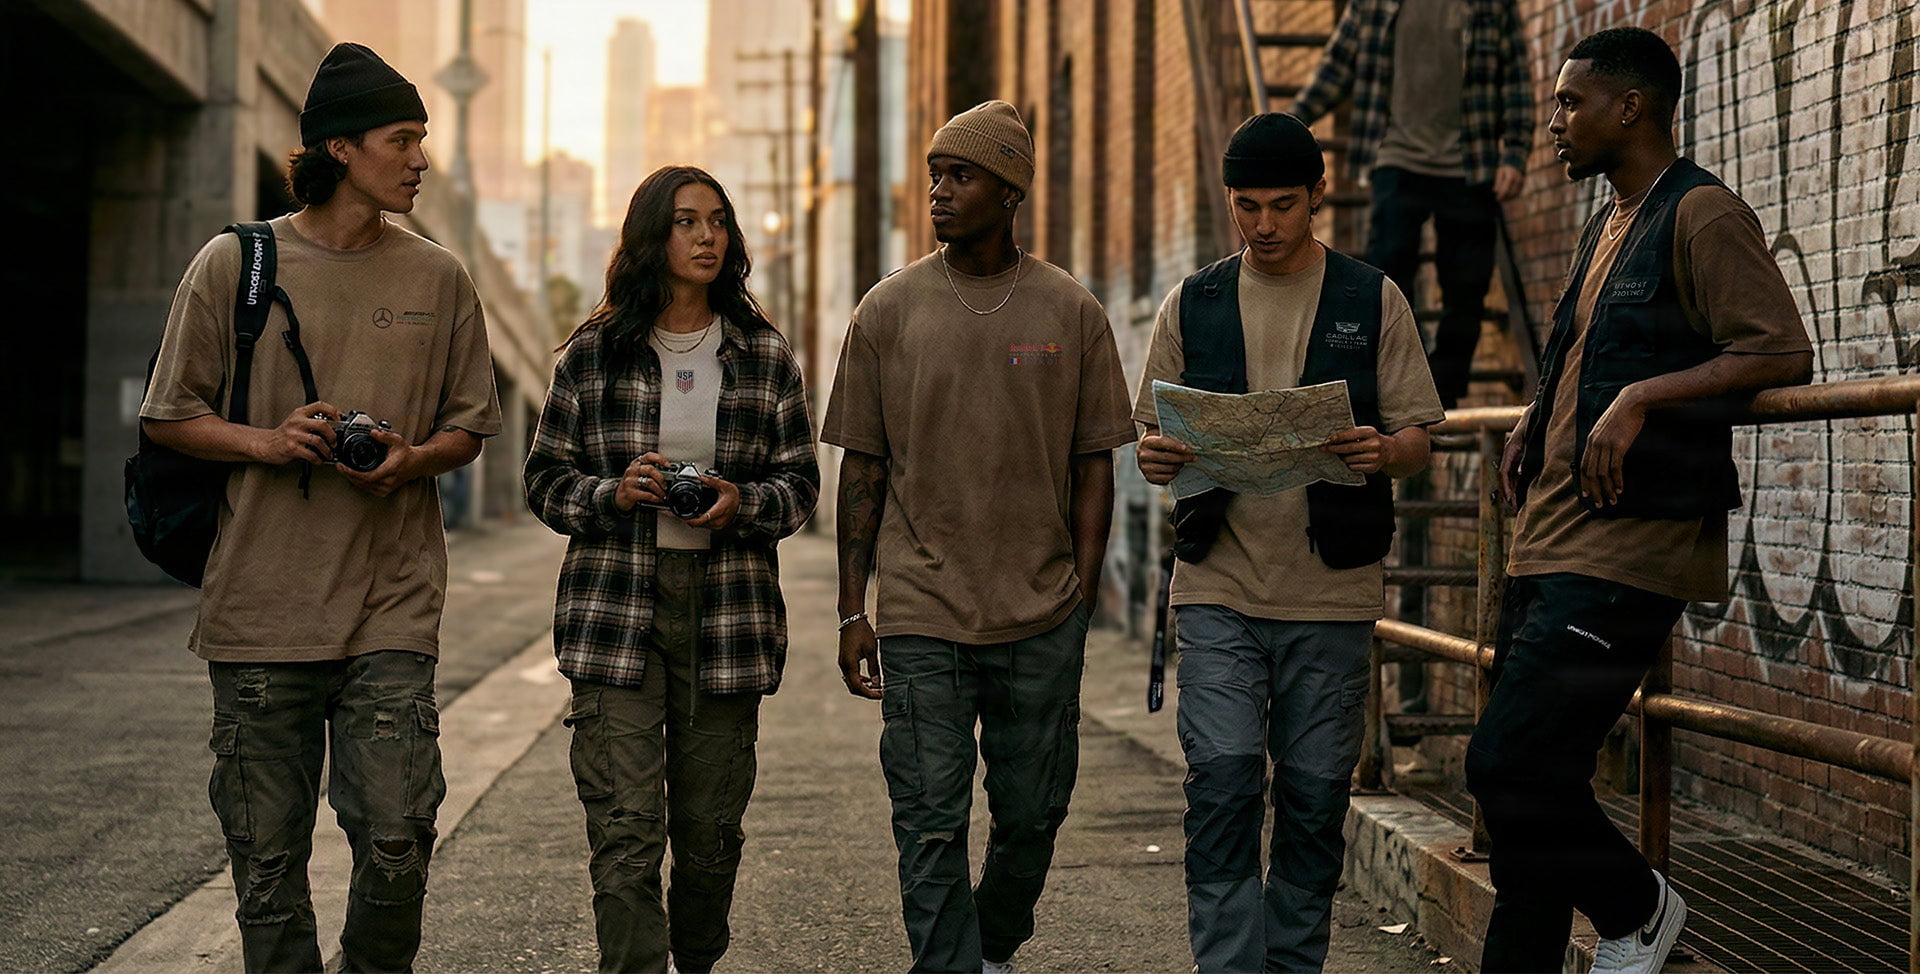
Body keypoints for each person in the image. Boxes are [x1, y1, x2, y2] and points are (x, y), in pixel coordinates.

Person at [138, 42, 501, 972]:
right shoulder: (235, 263)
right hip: (261, 611)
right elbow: (168, 415)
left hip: (391, 604)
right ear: (340, 147)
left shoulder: (440, 278)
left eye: (422, 138)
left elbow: (470, 426)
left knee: (399, 832)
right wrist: (267, 441)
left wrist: (413, 459)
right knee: (267, 868)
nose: (420, 160)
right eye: (403, 139)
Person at [1468, 27, 1813, 974]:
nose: (1553, 122)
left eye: (1569, 103)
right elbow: (1598, 349)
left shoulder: (1702, 213)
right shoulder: (1610, 218)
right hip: (1551, 539)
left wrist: (1643, 398)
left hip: (1626, 548)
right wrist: (1539, 412)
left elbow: (1781, 349)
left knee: (1506, 765)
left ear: (1631, 108)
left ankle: (1639, 908)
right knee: (1530, 801)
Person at [821, 100, 1135, 973]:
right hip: (923, 612)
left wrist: (1079, 595)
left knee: (1033, 814)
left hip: (1040, 613)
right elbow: (862, 471)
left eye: (960, 175)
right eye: (935, 174)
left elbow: (1094, 466)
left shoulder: (1071, 311)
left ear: (1009, 192)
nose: (939, 190)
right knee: (927, 819)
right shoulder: (887, 311)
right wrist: (853, 610)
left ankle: (991, 948)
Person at [1134, 112, 1444, 973]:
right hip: (1217, 588)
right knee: (1222, 788)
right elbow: (1153, 437)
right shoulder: (1192, 302)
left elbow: (1419, 438)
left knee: (1312, 804)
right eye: (1247, 206)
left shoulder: (1371, 298)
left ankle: (1293, 964)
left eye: (1282, 205)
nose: (1264, 225)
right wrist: (1156, 456)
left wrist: (1384, 451)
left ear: (1317, 198)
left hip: (1330, 594)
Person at [523, 165, 818, 974]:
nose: (706, 236)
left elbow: (800, 487)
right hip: (616, 611)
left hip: (727, 616)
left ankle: (697, 958)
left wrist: (740, 502)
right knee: (624, 832)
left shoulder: (763, 355)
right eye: (686, 221)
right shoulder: (593, 354)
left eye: (718, 221)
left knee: (710, 835)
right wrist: (612, 492)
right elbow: (543, 480)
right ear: (652, 237)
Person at [1290, 0, 1533, 409]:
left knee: (1467, 286)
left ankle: (1444, 395)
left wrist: (1515, 153)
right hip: (1396, 157)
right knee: (1388, 275)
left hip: (1469, 163)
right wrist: (1291, 124)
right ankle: (1404, 382)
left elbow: (1516, 78)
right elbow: (1337, 65)